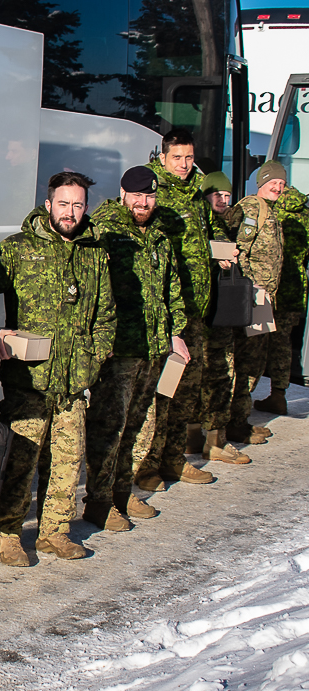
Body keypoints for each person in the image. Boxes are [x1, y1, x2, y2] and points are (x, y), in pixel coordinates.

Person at [0, 172, 116, 565]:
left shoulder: (94, 253)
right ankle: (8, 533)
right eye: (63, 203)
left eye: (77, 205)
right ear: (49, 203)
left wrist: (94, 356)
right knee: (23, 459)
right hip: (30, 381)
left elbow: (106, 315)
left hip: (75, 380)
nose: (70, 212)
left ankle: (55, 531)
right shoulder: (19, 249)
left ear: (85, 208)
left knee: (68, 460)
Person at [83, 166, 187, 531]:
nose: (143, 203)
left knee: (141, 423)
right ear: (123, 193)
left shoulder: (158, 233)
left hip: (154, 345)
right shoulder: (106, 229)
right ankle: (98, 500)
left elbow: (170, 287)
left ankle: (122, 492)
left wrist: (176, 332)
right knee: (110, 425)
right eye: (138, 196)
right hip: (121, 348)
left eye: (150, 197)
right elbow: (93, 287)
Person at [134, 128, 216, 490]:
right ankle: (147, 467)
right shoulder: (157, 194)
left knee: (186, 391)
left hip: (196, 310)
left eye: (188, 157)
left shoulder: (196, 194)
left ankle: (174, 459)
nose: (184, 164)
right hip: (167, 312)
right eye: (177, 157)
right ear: (163, 157)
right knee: (159, 394)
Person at [222, 161, 286, 442]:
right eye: (274, 181)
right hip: (254, 298)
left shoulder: (269, 211)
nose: (278, 186)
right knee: (247, 361)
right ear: (261, 181)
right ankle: (233, 423)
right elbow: (240, 250)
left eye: (282, 183)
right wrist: (252, 287)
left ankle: (240, 418)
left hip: (263, 299)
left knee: (255, 361)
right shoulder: (252, 208)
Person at [198, 171, 253, 465]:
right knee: (213, 375)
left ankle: (213, 439)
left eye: (228, 195)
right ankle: (205, 440)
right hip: (205, 315)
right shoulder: (199, 223)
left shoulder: (230, 223)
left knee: (219, 374)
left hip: (223, 312)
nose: (223, 200)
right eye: (218, 195)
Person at [254, 182, 309, 416]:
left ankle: (242, 401)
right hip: (294, 289)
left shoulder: (267, 210)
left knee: (256, 341)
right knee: (282, 343)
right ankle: (278, 395)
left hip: (267, 288)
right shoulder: (304, 213)